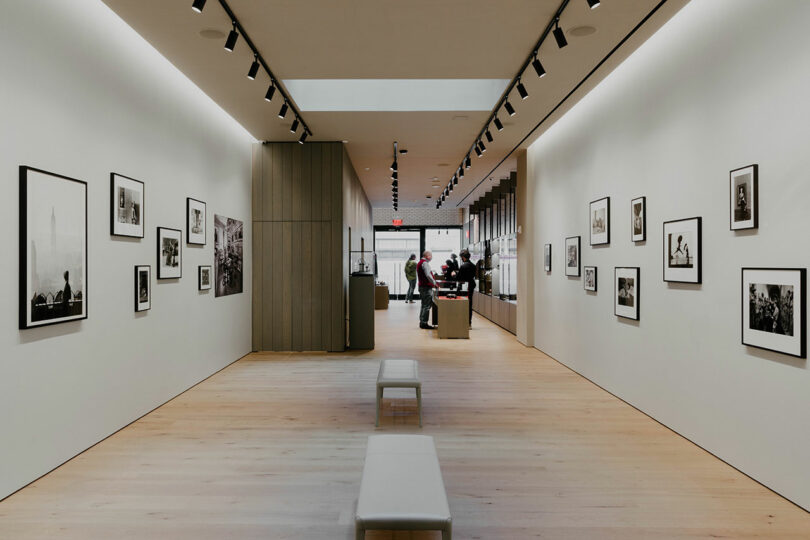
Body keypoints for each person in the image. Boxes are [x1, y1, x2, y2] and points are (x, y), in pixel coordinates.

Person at [416, 250, 439, 329]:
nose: (431, 257)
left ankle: (422, 321)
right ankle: (424, 323)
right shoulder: (425, 263)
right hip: (425, 287)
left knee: (423, 305)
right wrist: (435, 284)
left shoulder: (420, 263)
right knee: (427, 306)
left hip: (422, 286)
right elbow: (428, 275)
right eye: (431, 256)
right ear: (427, 256)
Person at [457, 250, 476, 326]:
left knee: (462, 303)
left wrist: (454, 274)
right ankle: (469, 322)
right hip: (471, 285)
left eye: (461, 257)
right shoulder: (473, 266)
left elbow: (459, 278)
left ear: (463, 257)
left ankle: (462, 321)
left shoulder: (463, 266)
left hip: (464, 287)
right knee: (469, 303)